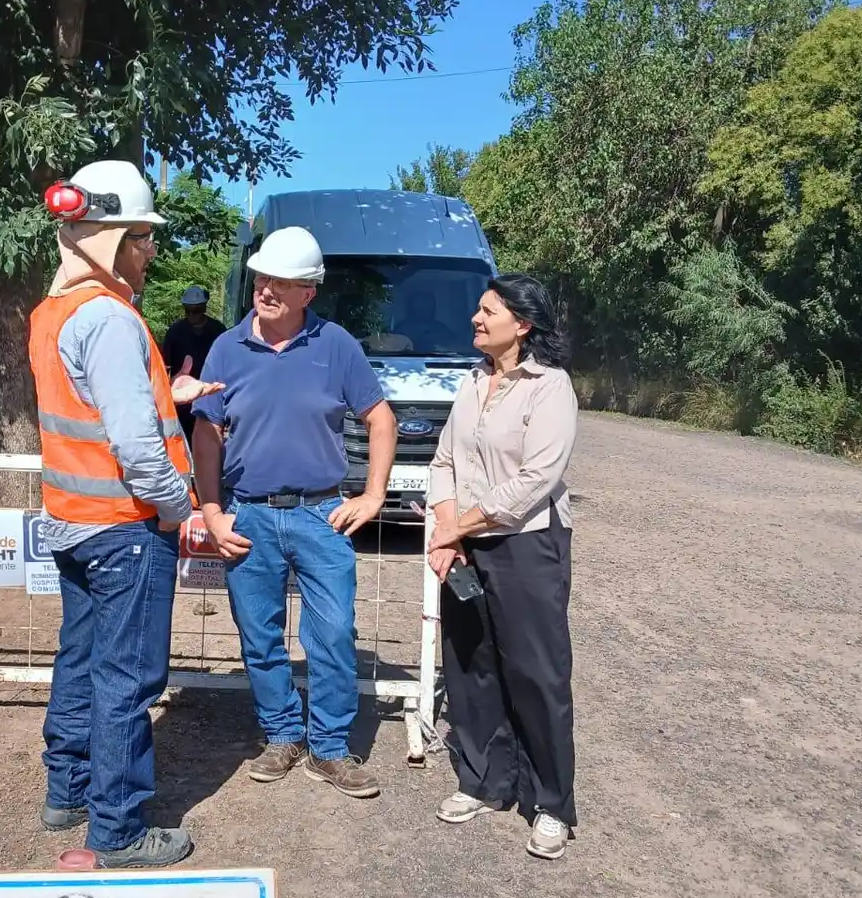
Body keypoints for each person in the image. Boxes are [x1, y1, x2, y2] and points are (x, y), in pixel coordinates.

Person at [28, 159, 222, 869]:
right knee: (125, 680)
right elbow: (139, 448)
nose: (150, 252)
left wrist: (176, 388)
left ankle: (67, 792)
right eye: (144, 237)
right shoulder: (110, 318)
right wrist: (180, 509)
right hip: (125, 529)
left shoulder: (55, 314)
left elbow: (96, 408)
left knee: (79, 662)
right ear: (113, 239)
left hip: (73, 525)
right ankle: (117, 830)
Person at [192, 227, 398, 798]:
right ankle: (282, 734)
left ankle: (329, 748)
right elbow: (206, 434)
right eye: (262, 277)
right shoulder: (227, 349)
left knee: (332, 633)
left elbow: (381, 419)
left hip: (321, 514)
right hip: (248, 515)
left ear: (310, 291)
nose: (266, 289)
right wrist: (211, 511)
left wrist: (373, 495)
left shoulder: (337, 346)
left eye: (282, 281)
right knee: (259, 636)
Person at [423, 273, 579, 860]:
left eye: (488, 312)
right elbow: (443, 461)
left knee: (536, 675)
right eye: (478, 311)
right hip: (466, 544)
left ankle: (551, 804)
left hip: (525, 546)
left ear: (523, 324)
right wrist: (446, 529)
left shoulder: (550, 387)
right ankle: (485, 781)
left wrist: (457, 525)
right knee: (471, 666)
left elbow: (535, 478)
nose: (476, 319)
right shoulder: (472, 382)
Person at [162, 285, 228, 441]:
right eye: (188, 310)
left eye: (197, 310)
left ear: (204, 308)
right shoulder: (175, 331)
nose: (192, 315)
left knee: (209, 440)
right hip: (182, 398)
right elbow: (165, 367)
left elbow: (227, 365)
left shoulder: (218, 330)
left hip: (211, 394)